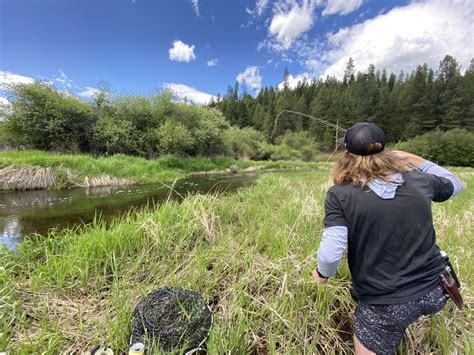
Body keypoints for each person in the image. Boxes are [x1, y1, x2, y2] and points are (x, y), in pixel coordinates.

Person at [311, 123, 464, 354]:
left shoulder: (339, 194)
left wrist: (321, 274)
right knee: (401, 317)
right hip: (436, 290)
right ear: (386, 151)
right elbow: (456, 184)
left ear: (347, 155)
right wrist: (415, 159)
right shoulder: (419, 179)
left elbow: (331, 254)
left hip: (385, 304)